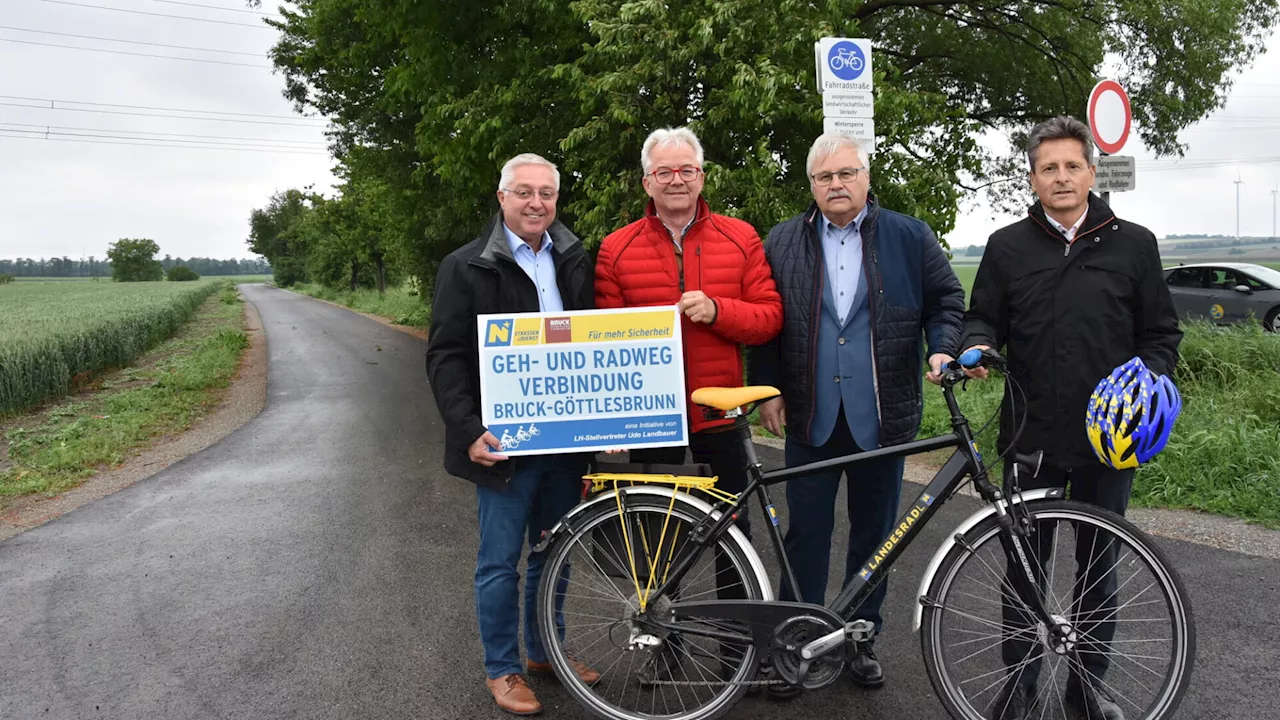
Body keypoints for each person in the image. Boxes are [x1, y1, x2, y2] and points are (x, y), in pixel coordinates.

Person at [959, 116, 1182, 720]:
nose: (1061, 177)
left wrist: (1151, 377)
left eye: (1071, 166)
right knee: (1024, 570)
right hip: (1030, 435)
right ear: (1032, 178)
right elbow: (982, 319)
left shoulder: (1134, 243)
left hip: (1112, 442)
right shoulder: (1007, 246)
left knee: (1098, 570)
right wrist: (974, 347)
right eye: (1048, 168)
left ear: (1090, 171)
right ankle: (1023, 687)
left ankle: (1087, 691)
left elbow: (1161, 334)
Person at [747, 132, 965, 696]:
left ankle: (859, 641)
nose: (836, 184)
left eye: (846, 173)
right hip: (811, 413)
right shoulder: (782, 240)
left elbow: (946, 299)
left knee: (875, 538)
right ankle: (796, 644)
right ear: (812, 186)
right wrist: (767, 388)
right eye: (825, 177)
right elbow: (769, 318)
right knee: (807, 535)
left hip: (882, 417)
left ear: (867, 177)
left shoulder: (908, 235)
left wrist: (941, 346)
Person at [593, 126, 782, 683]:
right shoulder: (616, 247)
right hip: (653, 419)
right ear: (646, 181)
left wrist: (719, 310)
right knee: (659, 544)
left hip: (720, 417)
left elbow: (770, 317)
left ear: (702, 175)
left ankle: (735, 655)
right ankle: (664, 645)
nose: (676, 180)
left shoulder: (741, 236)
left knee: (734, 538)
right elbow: (604, 340)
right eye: (664, 172)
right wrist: (612, 418)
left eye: (687, 171)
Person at [425, 152, 600, 715]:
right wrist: (468, 429)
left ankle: (547, 652)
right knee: (499, 560)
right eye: (524, 192)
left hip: (562, 441)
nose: (536, 203)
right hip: (501, 443)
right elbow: (446, 356)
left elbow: (593, 343)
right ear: (501, 198)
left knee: (555, 554)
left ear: (556, 200)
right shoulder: (466, 265)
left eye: (546, 193)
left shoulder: (574, 257)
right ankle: (502, 668)